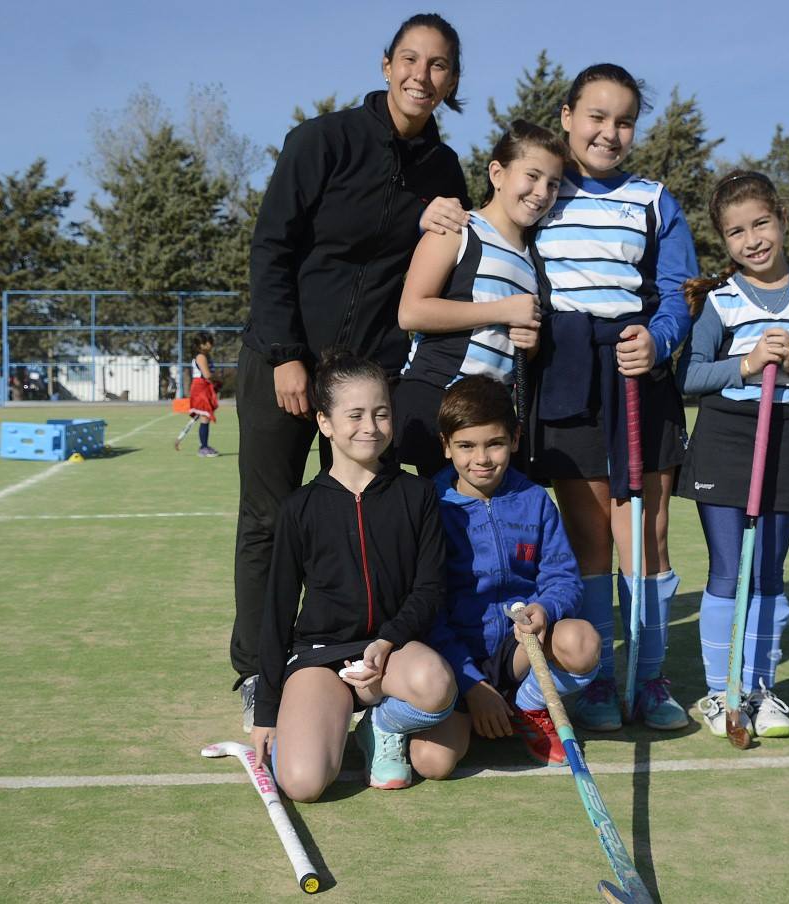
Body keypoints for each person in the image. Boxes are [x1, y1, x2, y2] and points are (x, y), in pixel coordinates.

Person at [234, 13, 471, 730]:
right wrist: (285, 355)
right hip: (284, 362)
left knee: (374, 519)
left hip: (370, 381)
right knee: (271, 520)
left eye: (438, 66)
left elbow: (438, 273)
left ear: (452, 81)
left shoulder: (443, 169)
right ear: (385, 63)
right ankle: (258, 668)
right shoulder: (321, 141)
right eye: (409, 59)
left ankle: (369, 660)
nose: (420, 76)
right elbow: (271, 249)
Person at [531, 63, 696, 731]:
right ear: (567, 116)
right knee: (590, 538)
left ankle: (649, 679)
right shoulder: (538, 190)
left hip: (636, 372)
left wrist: (657, 341)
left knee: (646, 536)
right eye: (596, 116)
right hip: (566, 367)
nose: (609, 131)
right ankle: (599, 679)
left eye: (624, 120)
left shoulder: (656, 200)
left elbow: (680, 296)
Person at [676, 170, 789, 739]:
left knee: (770, 574)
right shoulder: (719, 302)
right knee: (729, 571)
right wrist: (748, 364)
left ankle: (761, 689)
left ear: (781, 219)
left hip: (781, 438)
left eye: (760, 224)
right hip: (724, 437)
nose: (751, 240)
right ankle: (720, 692)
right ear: (722, 241)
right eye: (735, 232)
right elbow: (689, 376)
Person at [250, 352, 456, 800]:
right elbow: (277, 611)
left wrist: (386, 642)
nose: (371, 426)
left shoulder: (418, 494)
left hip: (394, 649)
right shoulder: (299, 508)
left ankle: (381, 723)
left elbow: (429, 589)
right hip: (322, 655)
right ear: (324, 423)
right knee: (302, 784)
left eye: (381, 413)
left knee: (436, 684)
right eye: (355, 415)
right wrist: (266, 712)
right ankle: (324, 714)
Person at [408, 376, 600, 773]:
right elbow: (428, 608)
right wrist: (472, 687)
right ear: (445, 445)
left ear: (514, 439)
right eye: (466, 446)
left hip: (520, 653)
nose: (481, 459)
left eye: (494, 443)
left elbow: (563, 579)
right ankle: (475, 708)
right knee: (433, 763)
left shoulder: (534, 500)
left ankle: (529, 705)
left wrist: (545, 609)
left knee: (581, 642)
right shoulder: (430, 505)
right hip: (456, 658)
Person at [394, 121, 566, 476]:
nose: (541, 192)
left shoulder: (534, 258)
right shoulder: (458, 228)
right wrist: (502, 310)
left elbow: (512, 343)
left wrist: (530, 344)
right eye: (531, 176)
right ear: (497, 173)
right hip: (434, 402)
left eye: (553, 184)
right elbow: (411, 312)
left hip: (487, 417)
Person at [174, 332, 221, 457]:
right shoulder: (201, 357)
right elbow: (207, 375)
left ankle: (204, 446)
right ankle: (203, 448)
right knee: (205, 418)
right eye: (209, 342)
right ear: (202, 344)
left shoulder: (205, 356)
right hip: (201, 389)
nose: (211, 344)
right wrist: (219, 378)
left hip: (204, 387)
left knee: (204, 418)